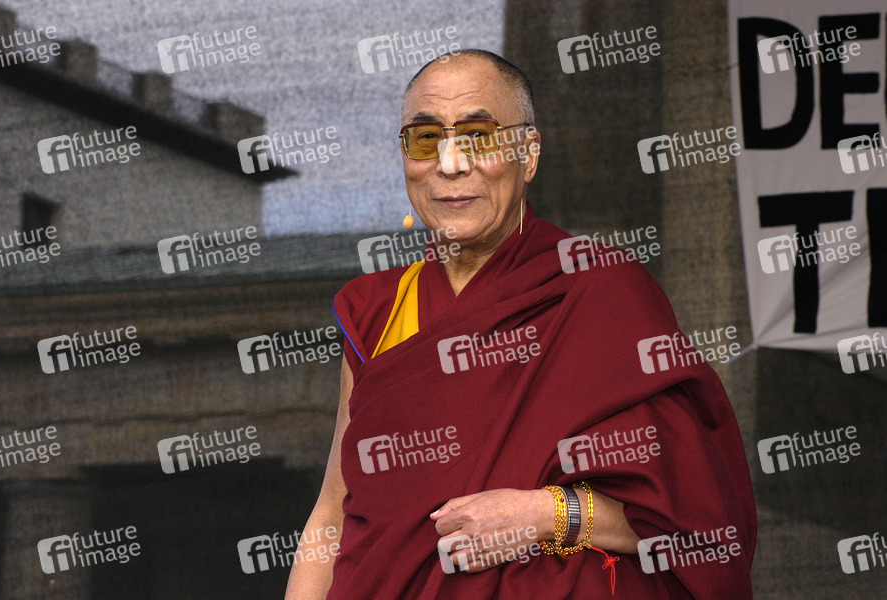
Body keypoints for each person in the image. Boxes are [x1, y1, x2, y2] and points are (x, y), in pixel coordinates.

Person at [284, 49, 756, 600]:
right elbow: (334, 512)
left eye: (479, 136)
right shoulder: (376, 312)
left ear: (528, 154)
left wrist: (545, 514)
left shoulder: (598, 293)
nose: (451, 164)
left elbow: (702, 524)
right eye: (426, 138)